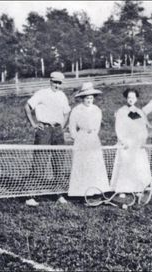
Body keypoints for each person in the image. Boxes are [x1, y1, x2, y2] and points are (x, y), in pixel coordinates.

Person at [24, 71, 71, 207]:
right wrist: (34, 124)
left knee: (59, 161)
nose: (57, 85)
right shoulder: (42, 93)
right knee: (40, 161)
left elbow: (67, 112)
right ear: (50, 81)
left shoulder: (62, 95)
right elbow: (27, 106)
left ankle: (59, 194)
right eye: (55, 82)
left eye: (59, 83)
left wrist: (62, 126)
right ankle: (31, 196)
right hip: (44, 130)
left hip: (57, 131)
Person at [68, 82, 111, 198]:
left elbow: (97, 127)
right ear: (82, 98)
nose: (89, 100)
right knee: (83, 164)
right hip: (81, 138)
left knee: (94, 163)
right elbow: (72, 127)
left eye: (91, 98)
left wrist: (92, 135)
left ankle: (97, 191)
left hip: (93, 138)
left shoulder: (97, 110)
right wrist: (77, 138)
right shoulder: (77, 110)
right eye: (87, 98)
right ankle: (81, 192)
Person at [110, 88, 152, 195]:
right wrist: (123, 141)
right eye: (129, 97)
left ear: (136, 99)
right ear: (126, 98)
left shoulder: (140, 112)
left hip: (137, 143)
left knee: (138, 165)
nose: (131, 100)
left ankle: (138, 188)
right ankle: (122, 189)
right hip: (126, 143)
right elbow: (118, 127)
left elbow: (143, 128)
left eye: (133, 97)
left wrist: (143, 140)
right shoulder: (121, 111)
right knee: (125, 165)